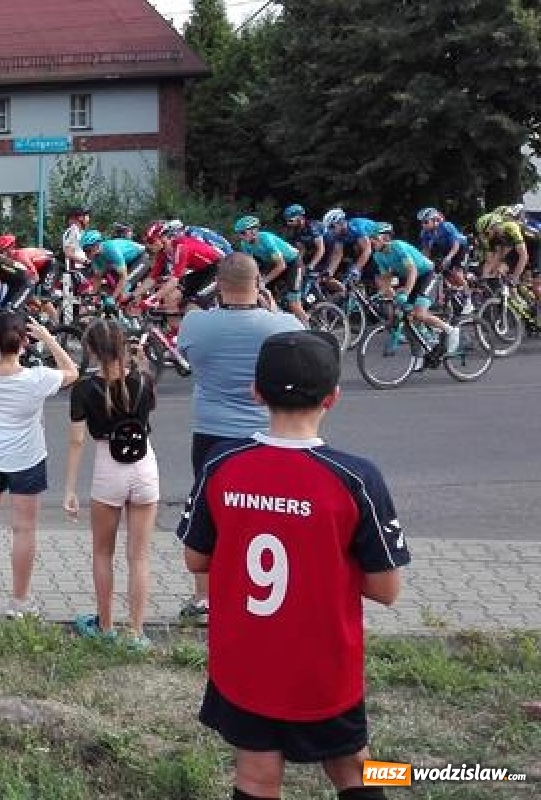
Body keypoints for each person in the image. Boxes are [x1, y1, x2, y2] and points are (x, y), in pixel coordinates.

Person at [181, 330, 408, 800]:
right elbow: (386, 590)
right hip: (323, 667)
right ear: (333, 397)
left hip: (244, 661)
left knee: (256, 776)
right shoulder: (356, 477)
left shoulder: (221, 463)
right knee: (356, 768)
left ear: (256, 393)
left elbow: (196, 557)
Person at [174, 254, 303, 624]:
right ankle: (262, 590)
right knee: (264, 511)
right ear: (259, 283)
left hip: (212, 434)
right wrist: (272, 309)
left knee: (209, 511)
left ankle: (205, 598)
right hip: (265, 433)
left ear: (218, 284)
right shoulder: (281, 326)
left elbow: (186, 353)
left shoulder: (197, 324)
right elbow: (306, 346)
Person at [0, 310, 80, 614]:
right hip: (26, 459)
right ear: (24, 342)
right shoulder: (38, 378)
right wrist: (49, 338)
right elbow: (72, 371)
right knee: (24, 529)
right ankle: (20, 600)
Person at [62, 319, 158, 649]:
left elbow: (77, 441)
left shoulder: (84, 390)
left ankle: (105, 626)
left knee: (103, 553)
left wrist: (70, 488)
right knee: (139, 557)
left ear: (90, 350)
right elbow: (147, 406)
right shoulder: (144, 380)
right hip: (145, 466)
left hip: (108, 470)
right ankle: (136, 632)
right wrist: (141, 363)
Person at [368, 224, 459, 358]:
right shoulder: (378, 256)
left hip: (426, 274)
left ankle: (451, 331)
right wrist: (381, 294)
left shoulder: (397, 247)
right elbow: (386, 278)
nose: (371, 241)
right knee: (408, 315)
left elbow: (413, 270)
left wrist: (405, 293)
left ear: (386, 238)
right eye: (370, 239)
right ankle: (423, 345)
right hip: (409, 278)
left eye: (374, 238)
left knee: (419, 313)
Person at [234, 216, 305, 322]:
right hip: (273, 263)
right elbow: (252, 265)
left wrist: (264, 281)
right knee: (262, 293)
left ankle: (307, 325)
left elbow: (281, 265)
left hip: (293, 262)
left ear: (254, 231)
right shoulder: (244, 244)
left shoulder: (266, 239)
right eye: (239, 234)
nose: (241, 237)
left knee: (293, 303)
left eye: (243, 233)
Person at [415, 207, 470, 311]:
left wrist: (448, 258)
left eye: (426, 222)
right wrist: (422, 263)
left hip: (460, 248)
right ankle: (454, 293)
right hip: (445, 248)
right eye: (422, 222)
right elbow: (426, 251)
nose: (423, 225)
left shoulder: (446, 226)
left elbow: (456, 245)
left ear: (435, 220)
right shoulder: (424, 232)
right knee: (443, 272)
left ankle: (468, 300)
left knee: (456, 273)